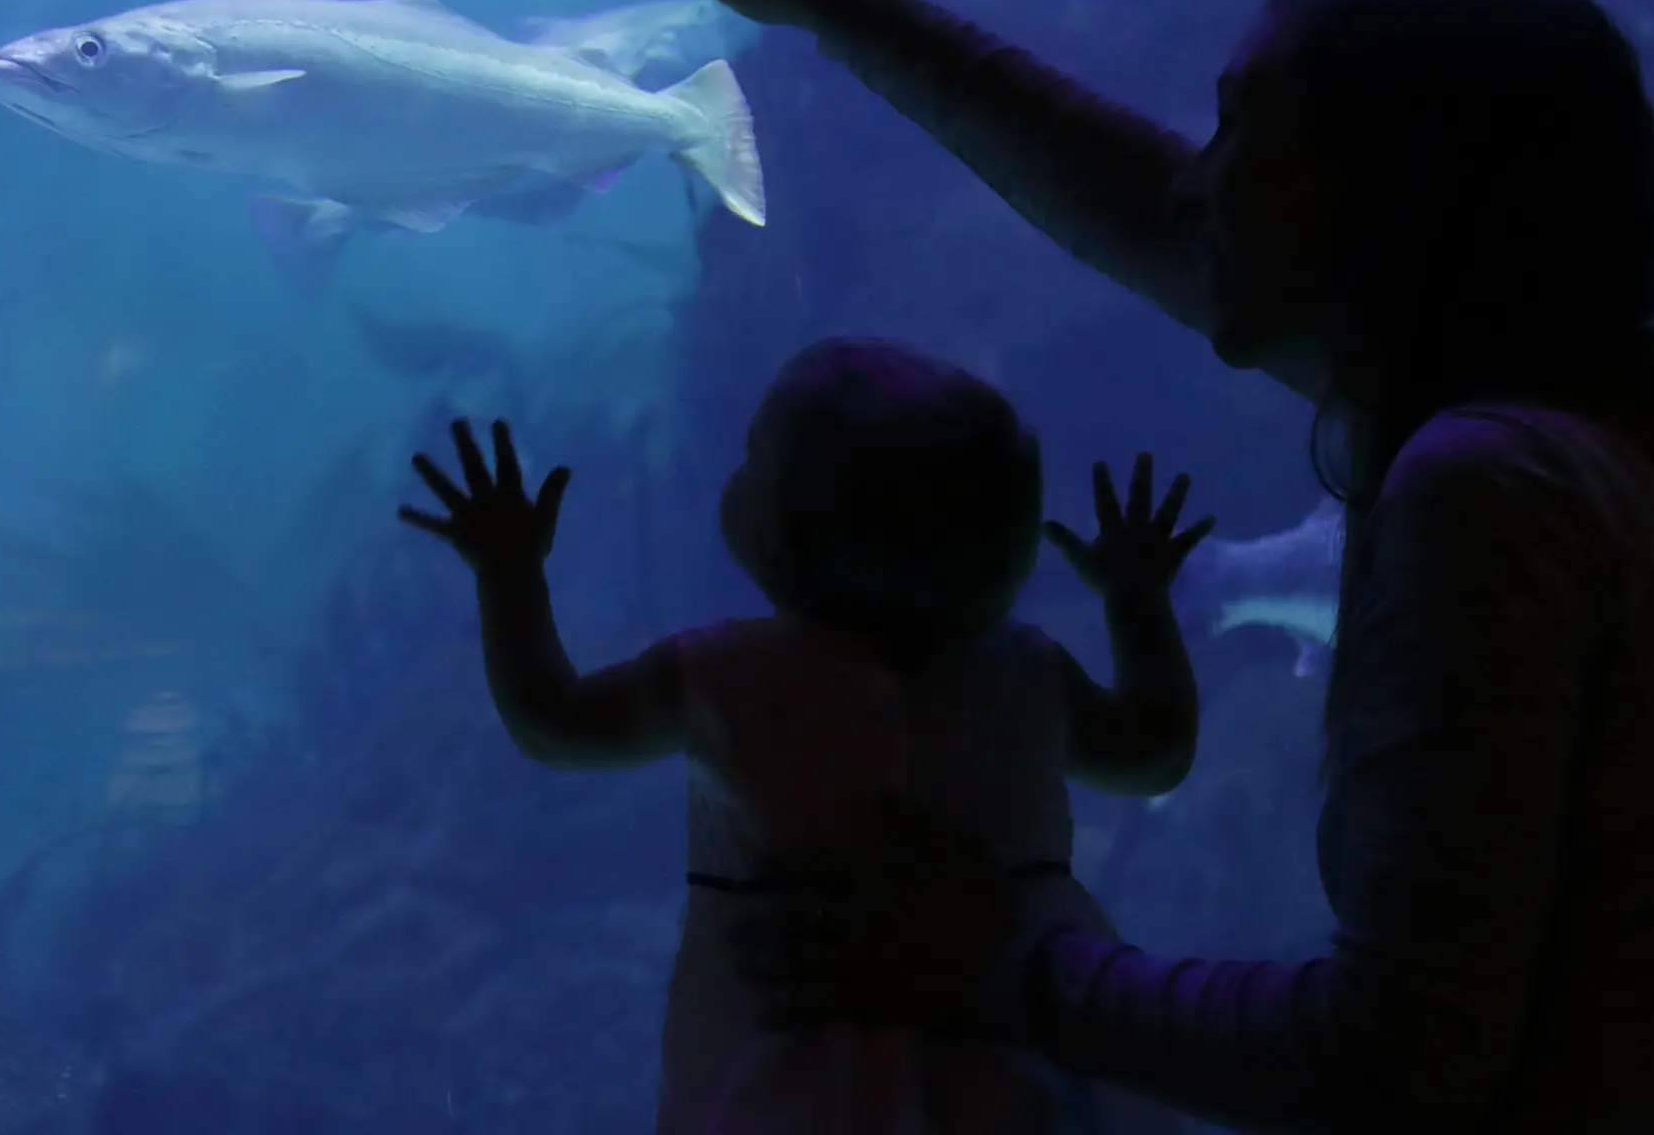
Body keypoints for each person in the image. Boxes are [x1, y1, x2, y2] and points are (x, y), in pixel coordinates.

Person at [596, 0, 1654, 1135]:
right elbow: (1154, 213)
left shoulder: (1489, 491)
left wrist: (998, 958)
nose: (1204, 176)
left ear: (1396, 198)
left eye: (1245, 128)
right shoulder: (1612, 409)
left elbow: (1396, 1057)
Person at [398, 339, 1209, 1134]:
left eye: (751, 456)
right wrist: (1136, 601)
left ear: (788, 534)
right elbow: (1155, 752)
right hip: (1014, 1076)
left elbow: (555, 725)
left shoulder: (726, 676)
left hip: (780, 1086)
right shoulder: (1028, 676)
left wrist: (509, 573)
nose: (733, 468)